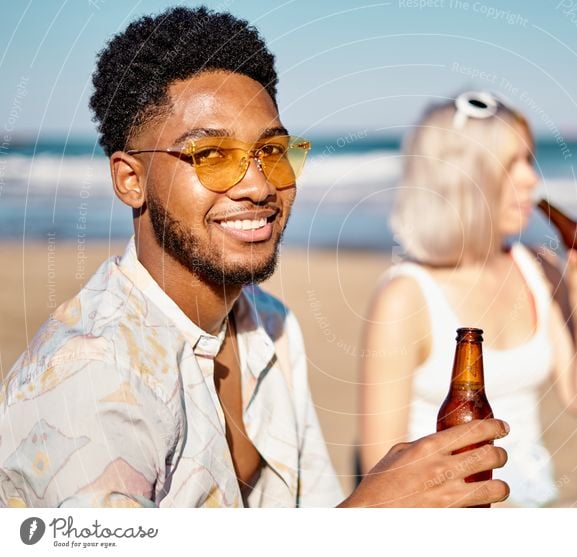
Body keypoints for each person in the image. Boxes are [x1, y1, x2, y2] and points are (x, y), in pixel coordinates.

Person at [0, 7, 510, 508]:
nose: (259, 185)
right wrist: (369, 517)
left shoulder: (269, 324)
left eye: (271, 151)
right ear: (131, 180)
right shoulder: (87, 377)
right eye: (211, 155)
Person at [358, 91, 577, 507]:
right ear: (460, 176)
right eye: (511, 164)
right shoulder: (406, 296)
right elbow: (382, 472)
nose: (532, 179)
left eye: (529, 161)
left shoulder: (536, 266)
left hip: (535, 502)